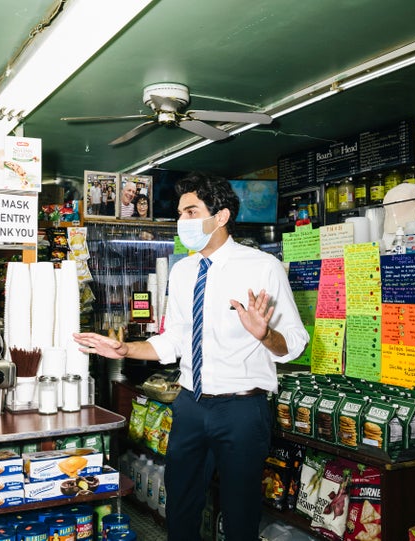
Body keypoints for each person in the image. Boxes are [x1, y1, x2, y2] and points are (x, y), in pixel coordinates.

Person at [74, 172, 309, 541]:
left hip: (242, 411)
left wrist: (265, 334)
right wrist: (125, 349)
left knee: (240, 514)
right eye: (180, 213)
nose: (182, 221)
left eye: (190, 211)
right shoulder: (183, 271)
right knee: (180, 507)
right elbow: (174, 341)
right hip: (190, 406)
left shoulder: (261, 267)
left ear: (220, 217)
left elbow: (295, 343)